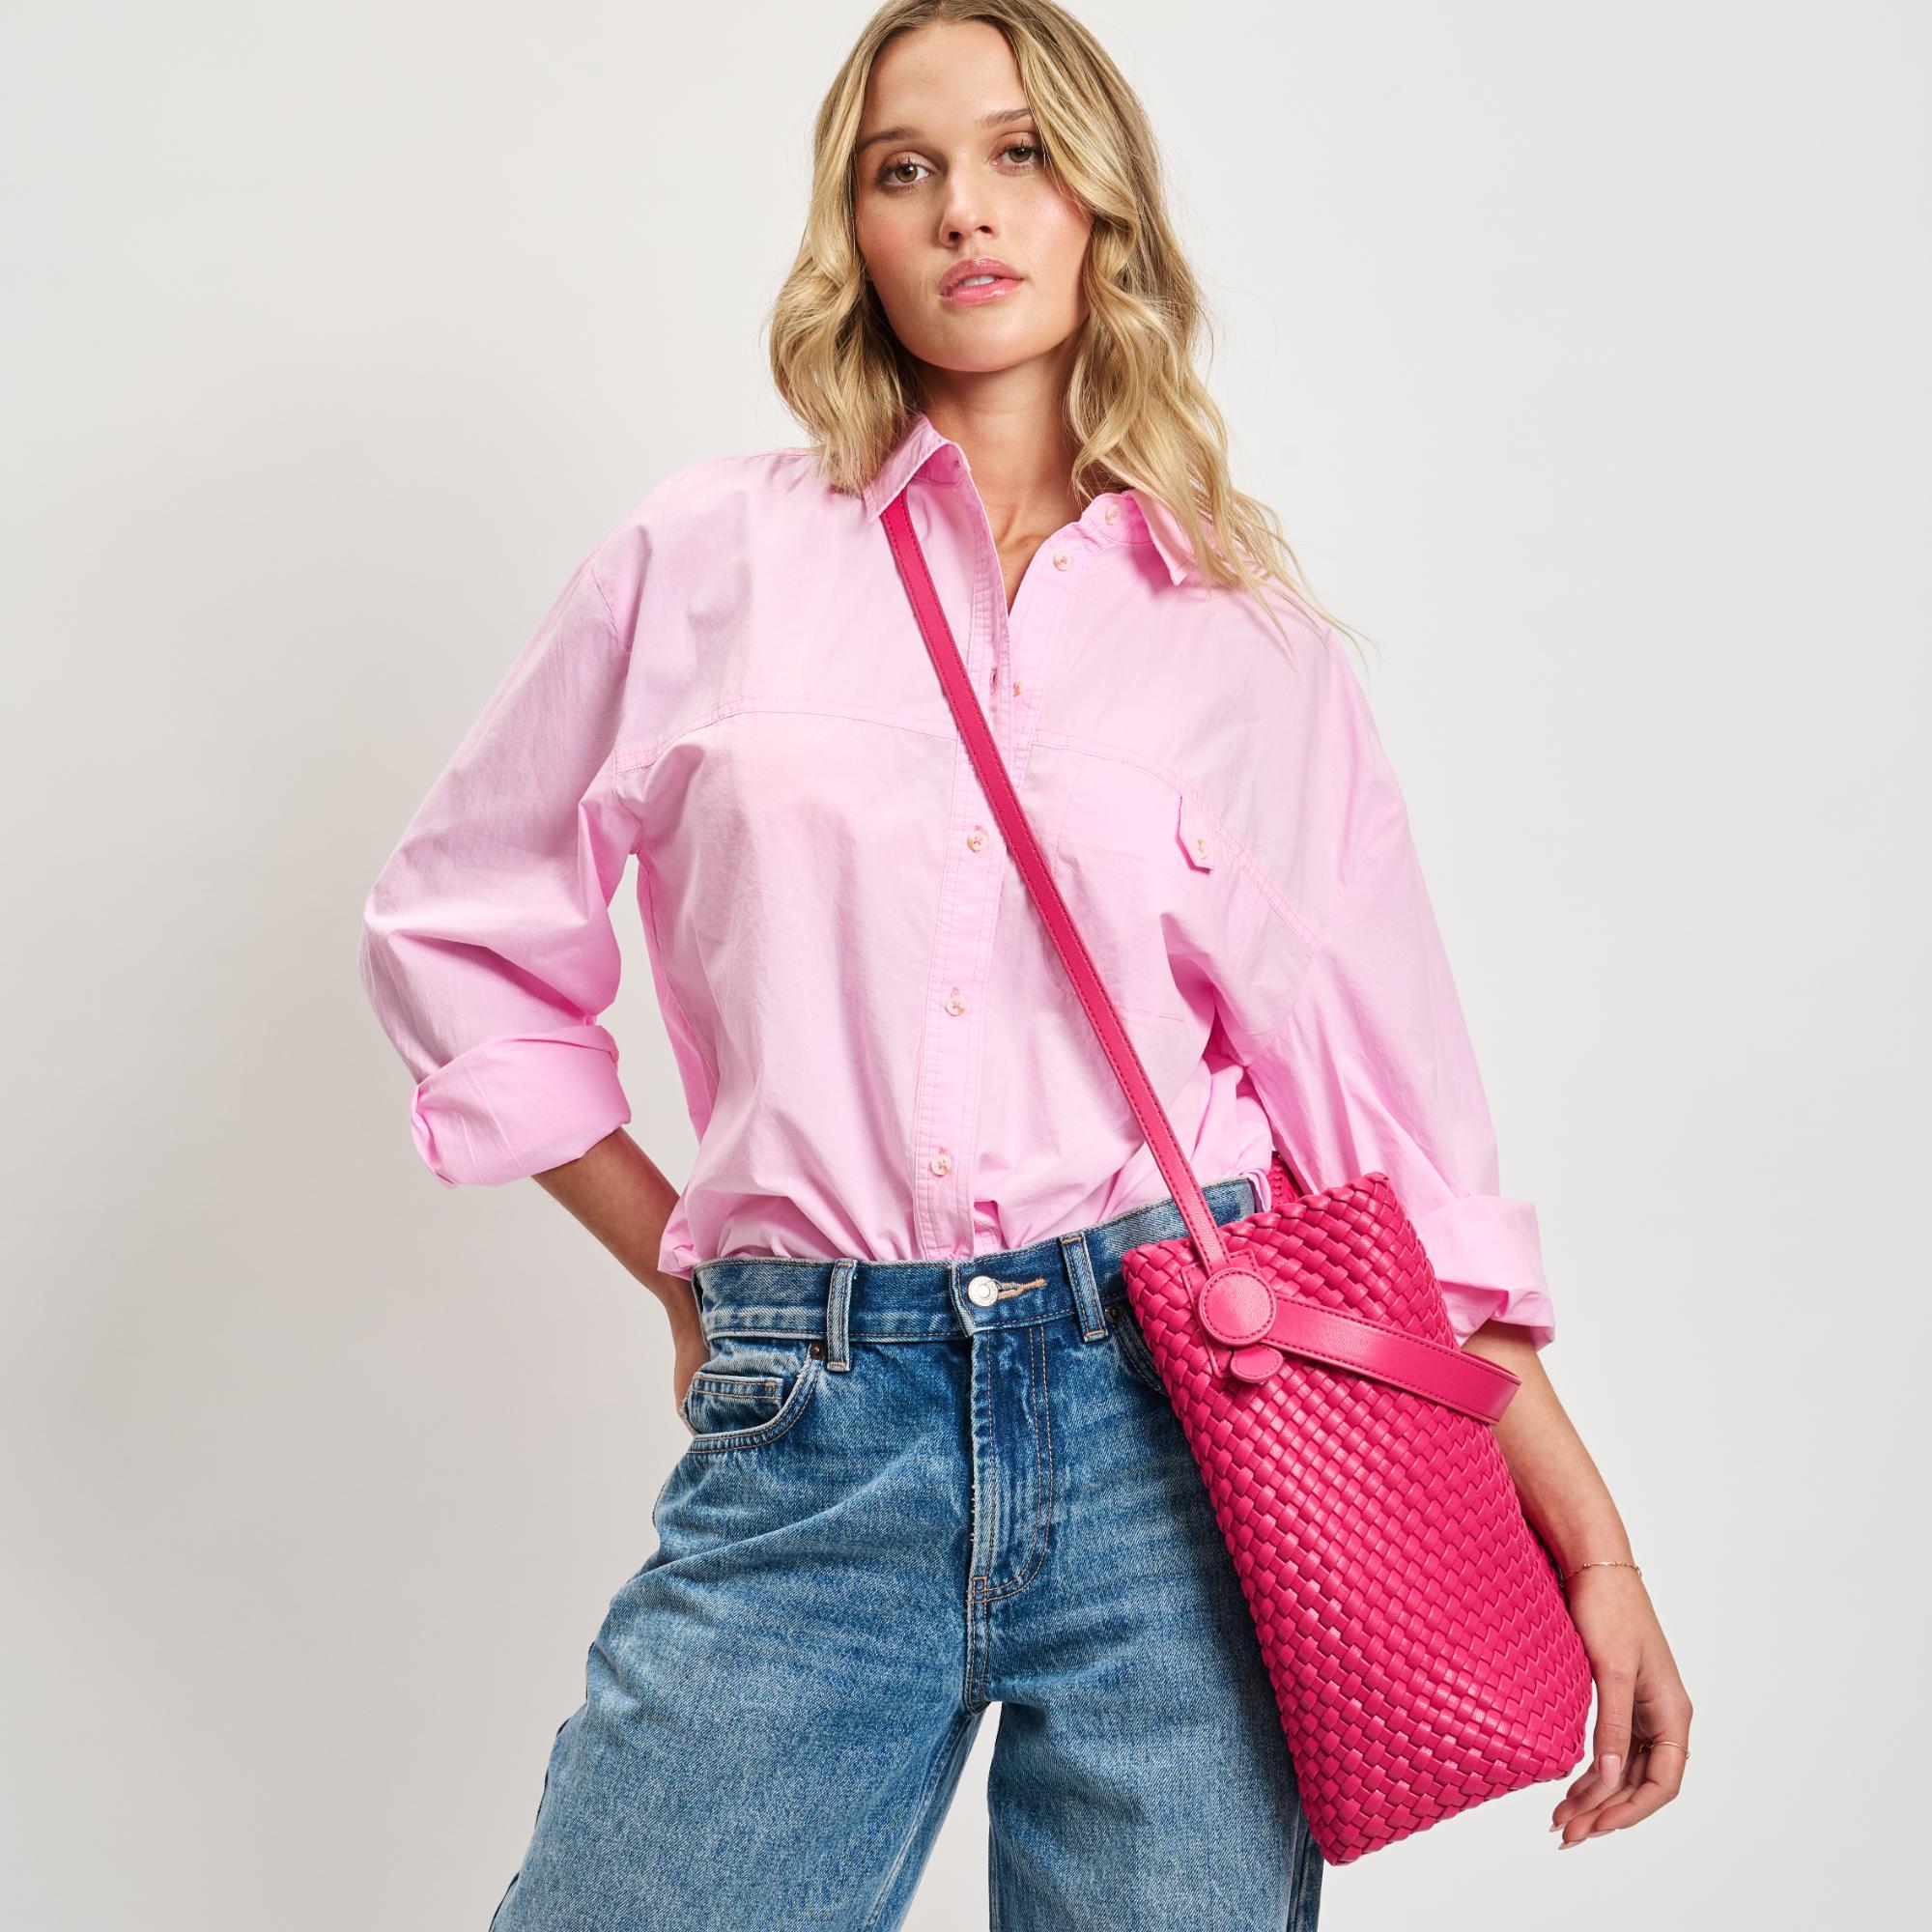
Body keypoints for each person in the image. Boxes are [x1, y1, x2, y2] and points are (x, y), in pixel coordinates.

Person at [358, 3, 1693, 1925]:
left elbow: (1391, 1151)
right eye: (903, 170)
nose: (964, 211)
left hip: (1184, 1436)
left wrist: (1598, 1555)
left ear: (1100, 210)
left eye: (1018, 155)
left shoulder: (1243, 641)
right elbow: (458, 933)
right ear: (854, 228)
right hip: (816, 1430)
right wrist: (683, 1268)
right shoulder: (703, 557)